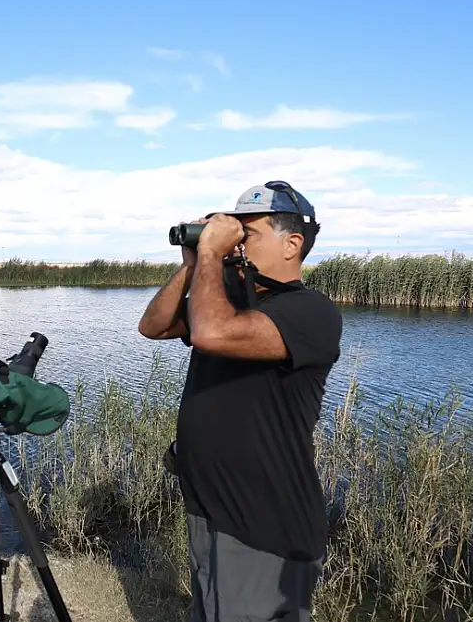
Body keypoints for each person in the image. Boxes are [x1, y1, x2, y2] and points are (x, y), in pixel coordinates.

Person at [138, 181, 343, 621]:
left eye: (247, 233)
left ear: (292, 245)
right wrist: (194, 263)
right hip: (213, 510)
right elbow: (153, 326)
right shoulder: (230, 303)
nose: (235, 241)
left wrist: (212, 255)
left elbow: (212, 334)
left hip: (263, 526)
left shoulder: (311, 313)